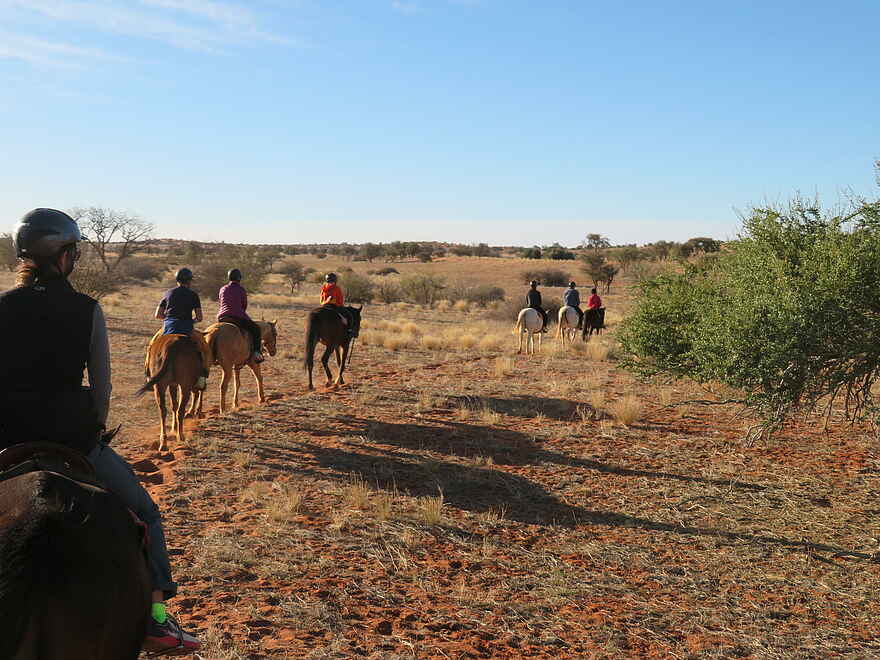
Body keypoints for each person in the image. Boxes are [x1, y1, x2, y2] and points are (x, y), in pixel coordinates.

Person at [0, 208, 200, 654]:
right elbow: (103, 385)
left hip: (7, 439)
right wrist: (93, 426)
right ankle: (156, 621)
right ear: (66, 256)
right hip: (74, 440)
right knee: (147, 516)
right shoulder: (87, 309)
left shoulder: (1, 306)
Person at [150, 267, 212, 389]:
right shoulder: (193, 295)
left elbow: (158, 315)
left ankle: (148, 374)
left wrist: (170, 320)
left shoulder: (168, 293)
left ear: (177, 280)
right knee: (204, 350)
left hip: (168, 328)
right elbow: (199, 317)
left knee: (152, 346)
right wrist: (191, 321)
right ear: (189, 281)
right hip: (186, 329)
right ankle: (201, 378)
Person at [217, 268, 263, 363]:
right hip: (236, 317)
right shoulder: (241, 289)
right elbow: (244, 305)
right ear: (239, 278)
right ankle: (257, 353)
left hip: (222, 317)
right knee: (256, 329)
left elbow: (221, 302)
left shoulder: (222, 288)